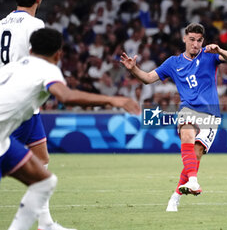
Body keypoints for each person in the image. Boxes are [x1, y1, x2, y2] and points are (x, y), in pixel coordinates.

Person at [0, 28, 140, 229]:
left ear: (30, 50)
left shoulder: (10, 68)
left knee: (44, 181)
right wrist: (112, 99)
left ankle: (46, 225)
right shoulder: (48, 69)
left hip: (3, 141)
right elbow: (66, 96)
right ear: (59, 54)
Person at [120, 23, 227, 212]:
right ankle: (193, 181)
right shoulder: (173, 63)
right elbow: (148, 78)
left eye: (199, 40)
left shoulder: (209, 55)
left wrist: (220, 49)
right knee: (187, 134)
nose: (195, 44)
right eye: (191, 39)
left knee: (196, 153)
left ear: (203, 41)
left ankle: (175, 196)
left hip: (211, 114)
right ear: (184, 39)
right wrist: (133, 69)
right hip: (187, 109)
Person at [0, 0, 68, 229]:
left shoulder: (1, 25)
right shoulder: (35, 25)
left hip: (17, 99)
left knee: (42, 160)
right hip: (19, 100)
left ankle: (45, 223)